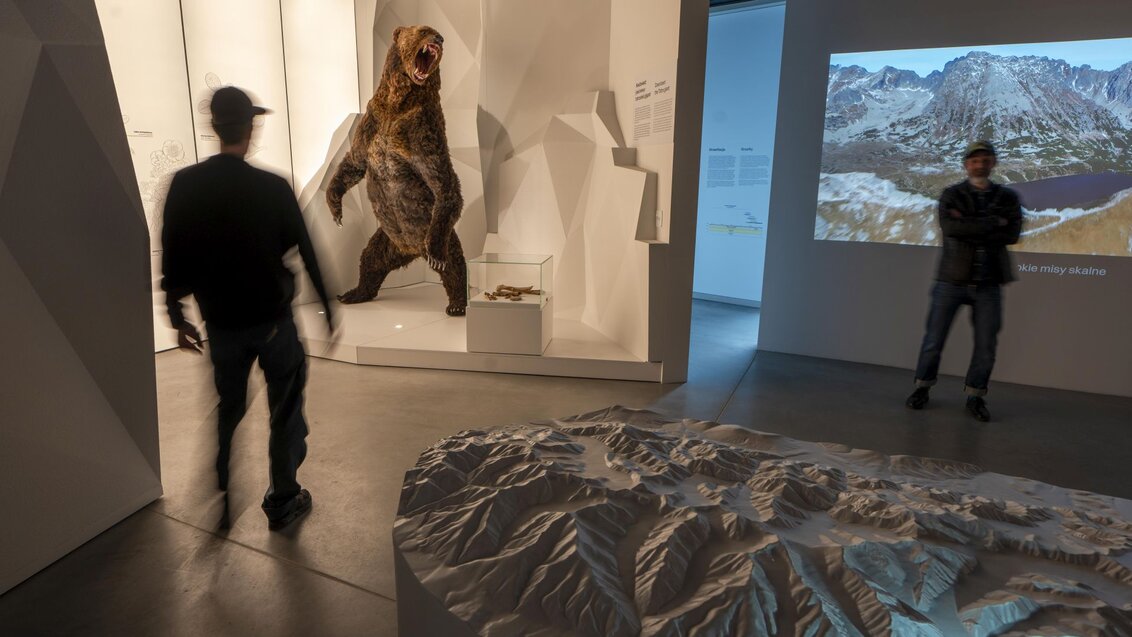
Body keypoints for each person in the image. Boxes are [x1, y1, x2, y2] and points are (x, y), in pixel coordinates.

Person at [161, 86, 335, 530]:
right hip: (274, 324)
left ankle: (222, 493)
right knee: (286, 412)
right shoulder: (272, 187)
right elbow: (307, 250)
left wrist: (177, 316)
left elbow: (174, 254)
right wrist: (329, 310)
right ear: (250, 127)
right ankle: (282, 499)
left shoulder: (185, 186)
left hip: (221, 326)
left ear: (214, 127)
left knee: (229, 408)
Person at [905, 140, 1023, 422]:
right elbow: (950, 227)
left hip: (989, 284)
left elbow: (1012, 235)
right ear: (966, 164)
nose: (979, 164)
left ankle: (976, 396)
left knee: (986, 345)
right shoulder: (951, 194)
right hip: (951, 281)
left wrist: (969, 224)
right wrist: (994, 222)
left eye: (985, 159)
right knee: (934, 340)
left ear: (993, 163)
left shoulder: (1008, 197)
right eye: (974, 160)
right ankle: (922, 388)